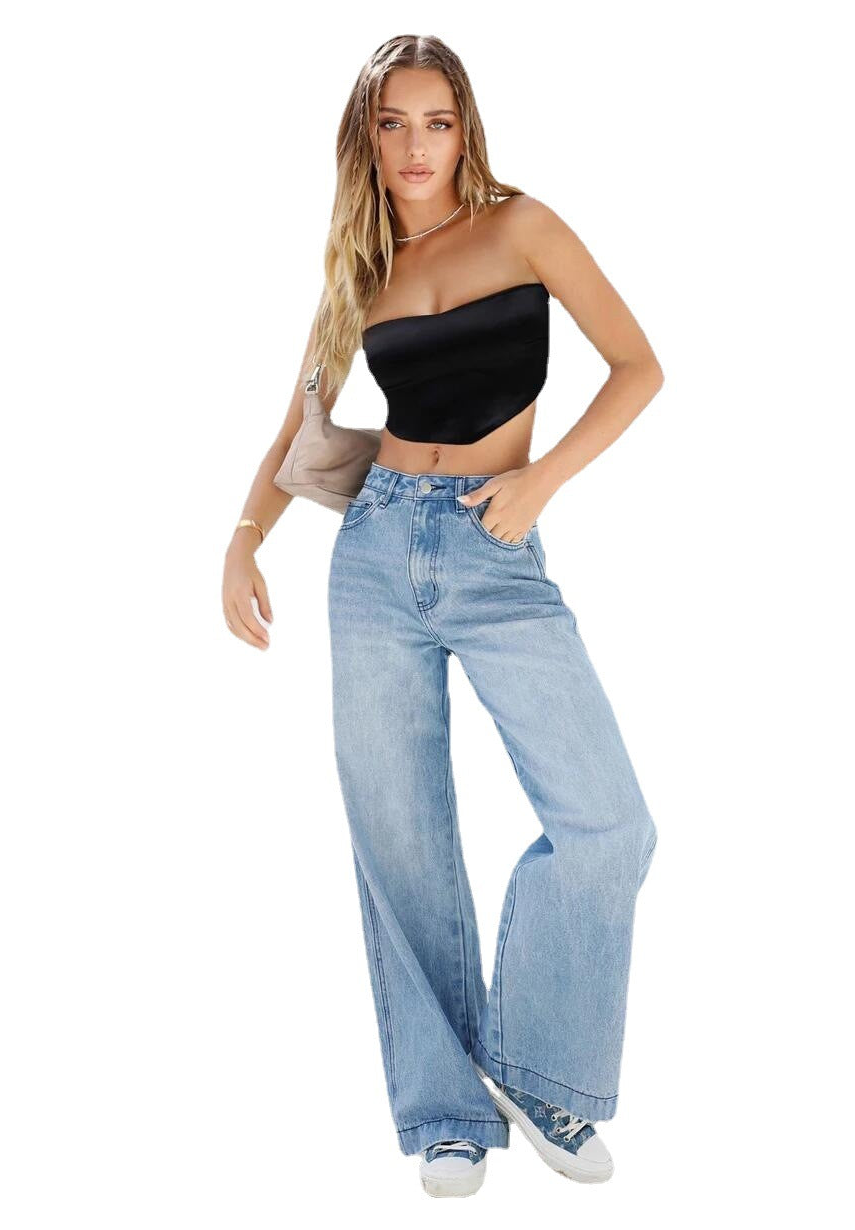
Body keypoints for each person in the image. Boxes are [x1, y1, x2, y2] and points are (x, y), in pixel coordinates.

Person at [222, 35, 664, 1199]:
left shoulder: (524, 227)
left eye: (437, 121)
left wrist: (542, 481)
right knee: (400, 842)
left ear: (466, 128)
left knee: (609, 824)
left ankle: (533, 1066)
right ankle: (445, 1114)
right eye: (393, 123)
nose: (417, 146)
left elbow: (637, 366)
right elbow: (301, 420)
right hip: (374, 553)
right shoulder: (362, 262)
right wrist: (244, 536)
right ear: (366, 139)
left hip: (495, 542)